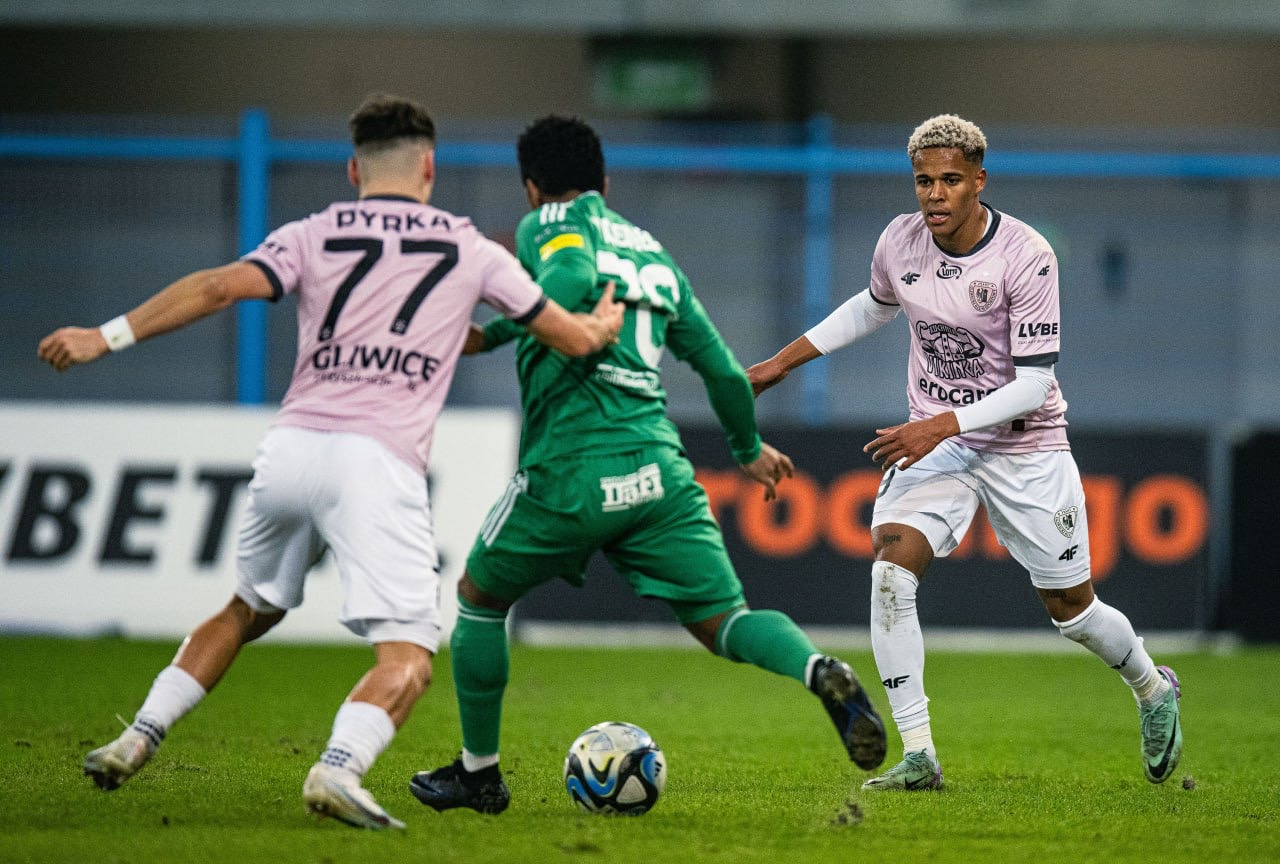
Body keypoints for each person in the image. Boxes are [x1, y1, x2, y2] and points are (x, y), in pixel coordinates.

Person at [37, 94, 623, 829]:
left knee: (247, 608)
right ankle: (339, 768)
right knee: (409, 658)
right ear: (430, 168)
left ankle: (139, 735)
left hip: (290, 450)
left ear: (353, 170)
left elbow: (217, 287)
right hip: (376, 463)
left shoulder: (314, 233)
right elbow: (565, 336)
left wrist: (104, 335)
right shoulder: (468, 248)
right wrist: (599, 326)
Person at [406, 115, 886, 816]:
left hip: (572, 465)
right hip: (659, 472)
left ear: (532, 187)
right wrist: (747, 450)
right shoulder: (654, 254)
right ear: (605, 181)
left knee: (479, 599)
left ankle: (479, 774)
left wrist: (510, 325)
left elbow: (569, 277)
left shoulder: (550, 222)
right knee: (725, 621)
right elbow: (722, 371)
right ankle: (816, 668)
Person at [746, 114, 1182, 791]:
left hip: (1023, 446)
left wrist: (939, 426)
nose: (935, 194)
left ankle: (1153, 688)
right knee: (891, 573)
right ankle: (919, 755)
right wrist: (781, 363)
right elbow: (874, 304)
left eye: (950, 180)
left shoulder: (1026, 255)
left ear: (979, 180)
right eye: (924, 181)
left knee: (1073, 610)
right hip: (940, 444)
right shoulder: (900, 240)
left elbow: (1033, 384)